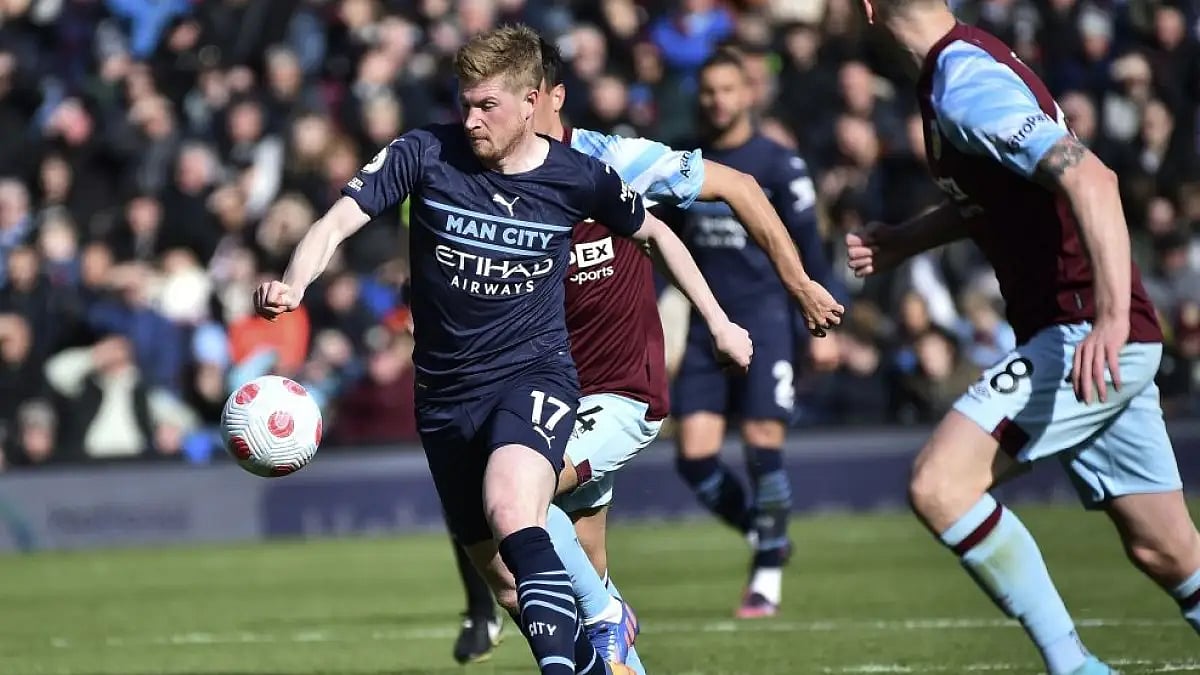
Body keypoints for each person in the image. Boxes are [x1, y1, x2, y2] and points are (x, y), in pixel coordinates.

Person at [255, 25, 752, 675]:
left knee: (518, 507)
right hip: (443, 397)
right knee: (509, 584)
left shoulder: (577, 177)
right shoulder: (424, 152)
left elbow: (657, 234)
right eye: (465, 102)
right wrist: (296, 280)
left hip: (533, 375)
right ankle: (607, 659)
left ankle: (602, 612)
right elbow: (339, 220)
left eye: (486, 105)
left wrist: (717, 320)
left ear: (531, 102)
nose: (471, 118)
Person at [447, 38, 846, 664]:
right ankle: (612, 631)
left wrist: (798, 285)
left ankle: (629, 604)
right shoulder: (484, 179)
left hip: (619, 392)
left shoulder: (612, 161)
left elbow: (738, 186)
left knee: (520, 500)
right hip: (548, 397)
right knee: (560, 587)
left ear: (548, 98)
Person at [846, 2, 1200, 673]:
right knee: (1168, 551)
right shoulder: (960, 68)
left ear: (867, 10)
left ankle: (1074, 665)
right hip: (1087, 332)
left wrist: (1112, 318)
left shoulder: (964, 82)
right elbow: (999, 195)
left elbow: (1092, 177)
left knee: (940, 485)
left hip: (1084, 333)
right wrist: (905, 240)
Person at [663, 48, 836, 619]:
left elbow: (811, 248)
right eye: (708, 91)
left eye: (727, 89)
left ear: (749, 94)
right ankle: (769, 537)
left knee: (763, 446)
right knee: (694, 460)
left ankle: (765, 579)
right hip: (708, 325)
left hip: (766, 321)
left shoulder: (780, 164)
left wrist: (823, 326)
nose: (717, 100)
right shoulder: (684, 163)